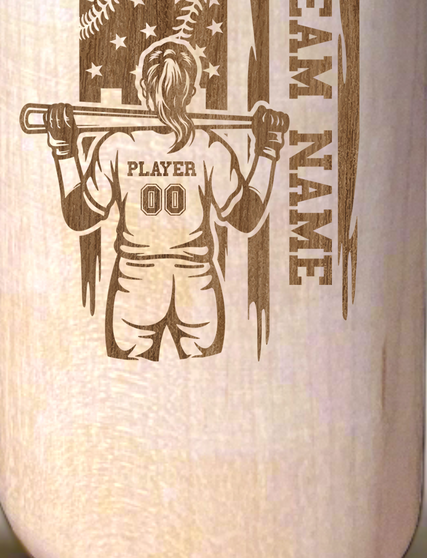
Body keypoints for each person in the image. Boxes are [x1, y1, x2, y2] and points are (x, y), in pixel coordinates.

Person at [45, 36, 284, 360]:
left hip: (135, 286)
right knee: (205, 380)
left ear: (143, 89)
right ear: (191, 91)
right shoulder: (210, 148)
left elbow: (80, 216)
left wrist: (64, 150)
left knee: (129, 384)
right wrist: (268, 149)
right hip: (197, 288)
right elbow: (247, 217)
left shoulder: (116, 146)